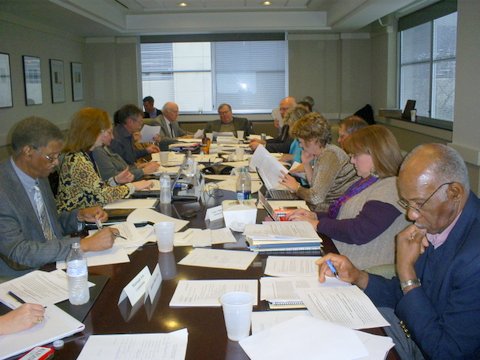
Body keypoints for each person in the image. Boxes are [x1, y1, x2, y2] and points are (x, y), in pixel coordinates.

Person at [316, 144, 480, 359]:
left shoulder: (473, 259)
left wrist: (406, 271)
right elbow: (401, 293)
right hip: (413, 329)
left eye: (419, 204)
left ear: (454, 193)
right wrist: (358, 276)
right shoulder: (440, 223)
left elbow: (446, 352)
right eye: (407, 203)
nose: (411, 215)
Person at [0, 117, 116, 278]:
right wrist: (81, 245)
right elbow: (17, 252)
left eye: (57, 156)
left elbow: (49, 227)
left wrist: (79, 216)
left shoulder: (38, 173)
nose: (55, 163)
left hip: (57, 263)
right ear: (28, 152)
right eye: (51, 157)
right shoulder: (4, 190)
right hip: (24, 277)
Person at [287, 125, 408, 269]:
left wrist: (317, 224)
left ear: (375, 154)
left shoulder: (391, 188)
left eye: (355, 155)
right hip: (338, 255)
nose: (352, 161)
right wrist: (314, 215)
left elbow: (359, 231)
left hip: (361, 270)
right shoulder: (369, 181)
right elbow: (343, 214)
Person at [57, 108, 153, 212]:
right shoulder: (77, 160)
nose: (112, 137)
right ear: (95, 132)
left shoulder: (84, 155)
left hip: (91, 214)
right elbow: (101, 196)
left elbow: (95, 188)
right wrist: (132, 187)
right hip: (79, 221)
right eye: (109, 132)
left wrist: (115, 180)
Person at [280, 113, 358, 211]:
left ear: (312, 140)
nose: (300, 146)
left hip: (331, 210)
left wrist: (297, 188)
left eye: (301, 141)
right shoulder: (323, 153)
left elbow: (315, 197)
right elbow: (315, 187)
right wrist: (306, 164)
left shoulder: (330, 155)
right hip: (325, 206)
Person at [92, 127, 159, 182]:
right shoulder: (98, 151)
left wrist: (139, 166)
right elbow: (112, 178)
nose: (112, 137)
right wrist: (143, 171)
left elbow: (123, 167)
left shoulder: (104, 147)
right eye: (109, 132)